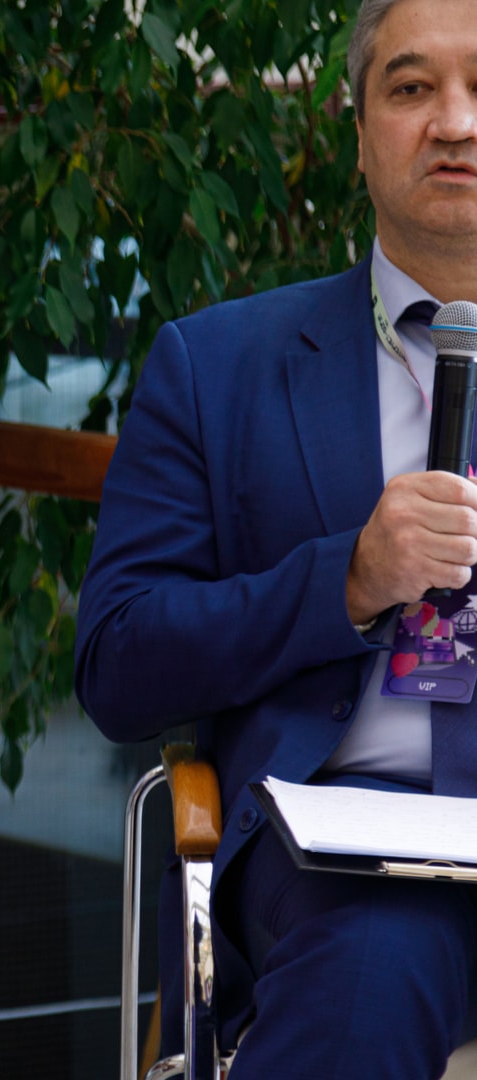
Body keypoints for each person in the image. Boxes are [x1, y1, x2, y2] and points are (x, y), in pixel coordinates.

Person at [75, 0, 477, 1074]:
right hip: (352, 851)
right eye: (411, 87)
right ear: (358, 131)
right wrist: (348, 579)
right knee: (374, 961)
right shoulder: (219, 367)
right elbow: (119, 665)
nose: (454, 122)